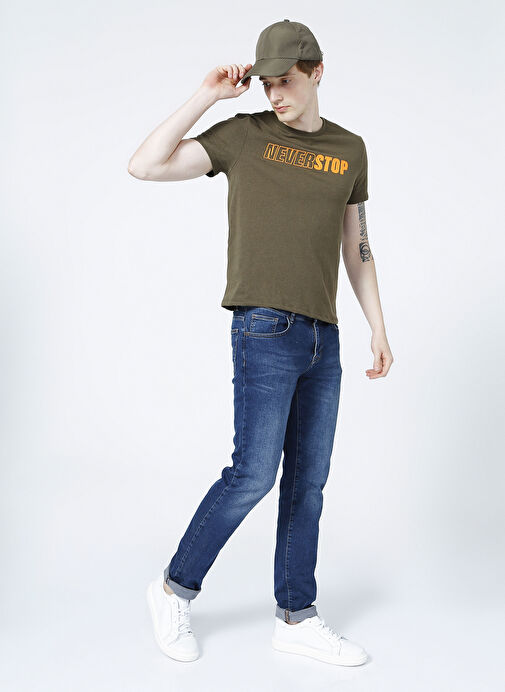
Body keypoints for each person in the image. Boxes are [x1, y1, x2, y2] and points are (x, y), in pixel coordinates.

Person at [128, 19, 393, 666]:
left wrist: (378, 326)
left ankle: (296, 616)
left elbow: (356, 245)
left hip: (323, 335)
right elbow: (145, 165)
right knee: (252, 474)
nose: (274, 94)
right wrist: (206, 95)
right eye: (267, 82)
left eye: (286, 81)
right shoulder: (244, 135)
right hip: (263, 328)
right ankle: (173, 588)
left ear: (317, 72)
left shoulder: (349, 149)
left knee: (308, 483)